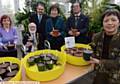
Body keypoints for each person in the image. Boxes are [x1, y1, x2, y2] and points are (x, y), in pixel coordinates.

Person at [89, 9, 120, 84]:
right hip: (99, 74)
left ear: (119, 23)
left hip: (116, 77)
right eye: (106, 21)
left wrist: (99, 62)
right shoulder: (96, 36)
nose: (109, 23)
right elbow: (91, 49)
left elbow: (118, 62)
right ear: (102, 23)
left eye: (113, 20)